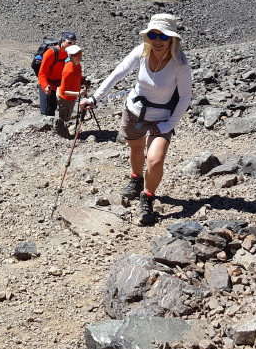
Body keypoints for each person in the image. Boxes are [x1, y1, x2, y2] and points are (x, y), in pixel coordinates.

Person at [80, 14, 192, 225]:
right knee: (136, 148)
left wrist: (169, 124)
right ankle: (136, 179)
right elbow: (118, 74)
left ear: (172, 39)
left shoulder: (180, 64)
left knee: (155, 159)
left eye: (163, 36)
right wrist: (95, 98)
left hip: (162, 118)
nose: (157, 40)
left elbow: (185, 97)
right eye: (152, 35)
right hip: (134, 111)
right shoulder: (141, 52)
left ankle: (147, 197)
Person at [37, 30, 76, 117]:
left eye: (74, 43)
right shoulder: (50, 53)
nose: (71, 45)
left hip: (59, 85)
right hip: (47, 84)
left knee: (55, 109)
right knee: (47, 112)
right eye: (69, 43)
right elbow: (42, 73)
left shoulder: (70, 53)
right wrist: (45, 86)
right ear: (62, 41)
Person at [54, 44, 85, 138]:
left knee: (67, 117)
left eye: (80, 54)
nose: (80, 57)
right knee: (64, 119)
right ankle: (63, 136)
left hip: (71, 97)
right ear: (71, 56)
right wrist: (78, 93)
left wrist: (84, 82)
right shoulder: (69, 70)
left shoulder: (77, 65)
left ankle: (65, 134)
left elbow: (78, 77)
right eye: (77, 55)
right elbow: (63, 91)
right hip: (65, 99)